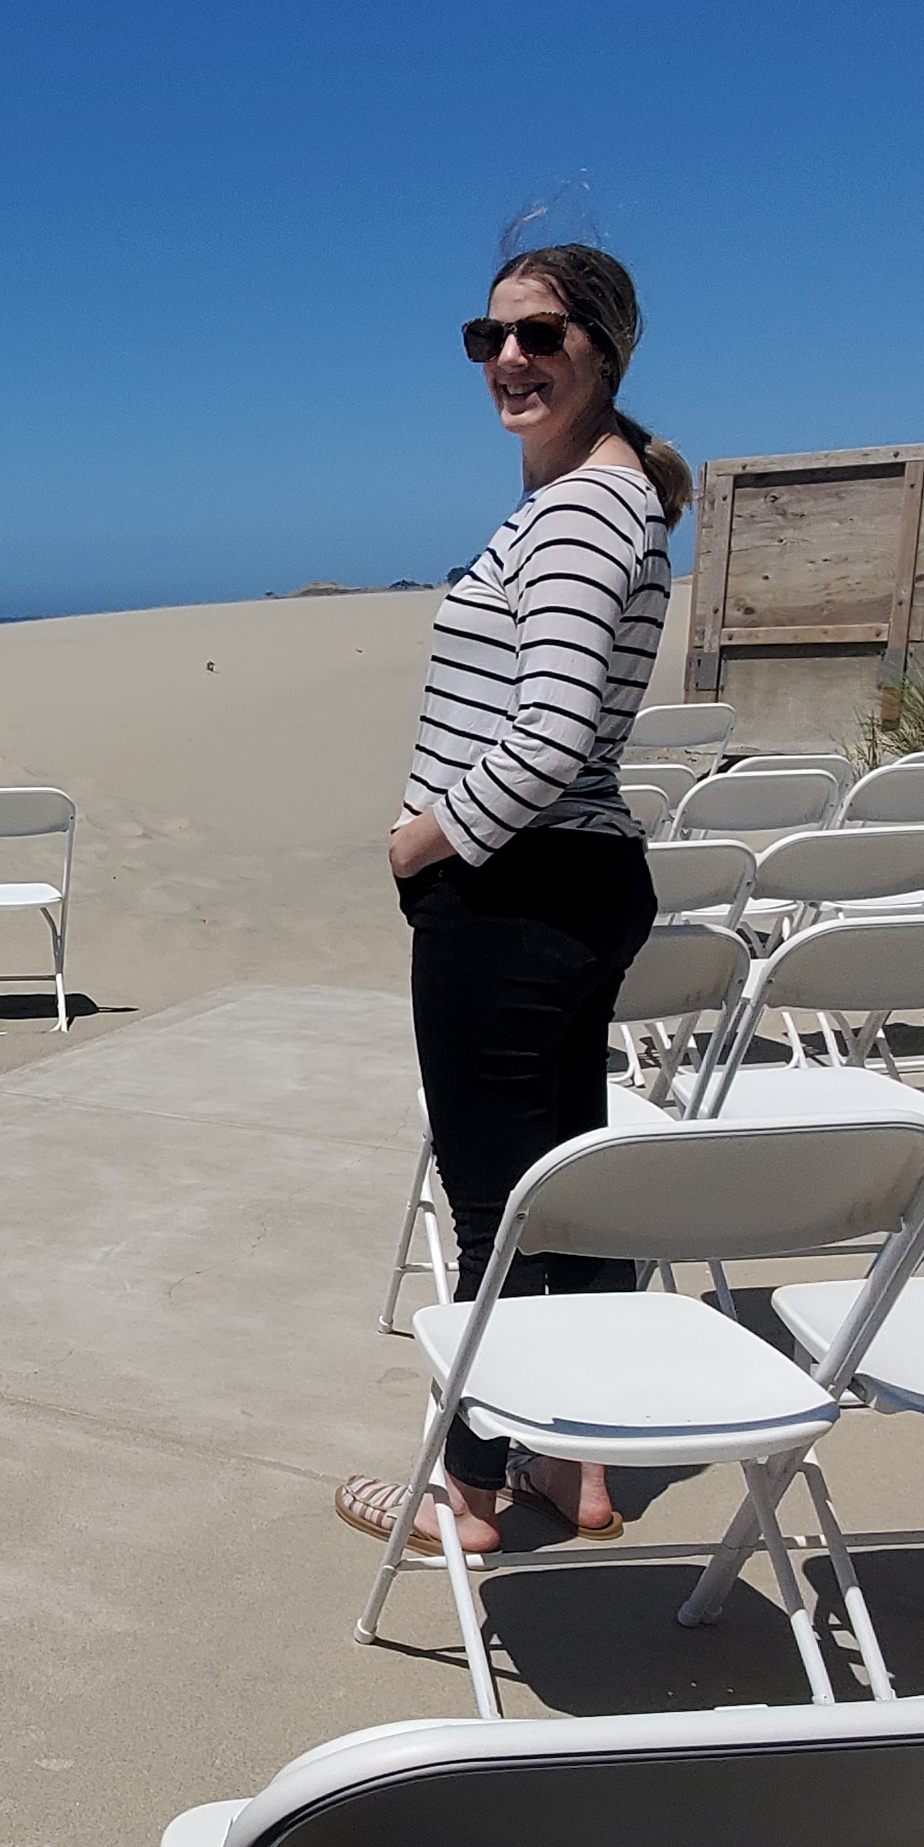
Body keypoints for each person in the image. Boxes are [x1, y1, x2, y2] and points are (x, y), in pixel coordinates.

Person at [335, 239, 695, 1559]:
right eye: (488, 337)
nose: (509, 360)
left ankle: (469, 1491)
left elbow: (550, 738)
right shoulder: (608, 500)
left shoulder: (585, 511)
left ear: (606, 348)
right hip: (565, 887)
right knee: (564, 1184)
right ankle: (574, 1461)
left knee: (496, 1205)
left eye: (541, 335)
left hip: (514, 893)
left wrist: (422, 844)